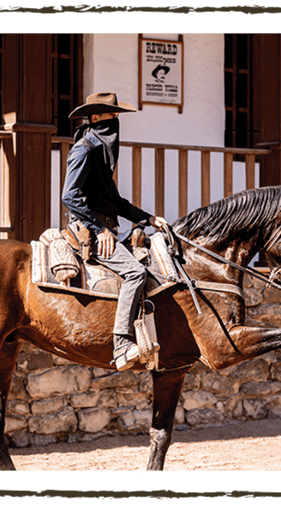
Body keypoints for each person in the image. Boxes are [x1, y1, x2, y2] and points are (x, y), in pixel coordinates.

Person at [62, 92, 168, 371]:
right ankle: (121, 343)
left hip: (104, 224)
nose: (117, 120)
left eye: (118, 115)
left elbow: (116, 202)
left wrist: (149, 218)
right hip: (89, 228)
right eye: (113, 115)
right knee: (136, 273)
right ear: (95, 118)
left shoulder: (100, 153)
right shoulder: (84, 149)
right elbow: (69, 196)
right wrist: (99, 230)